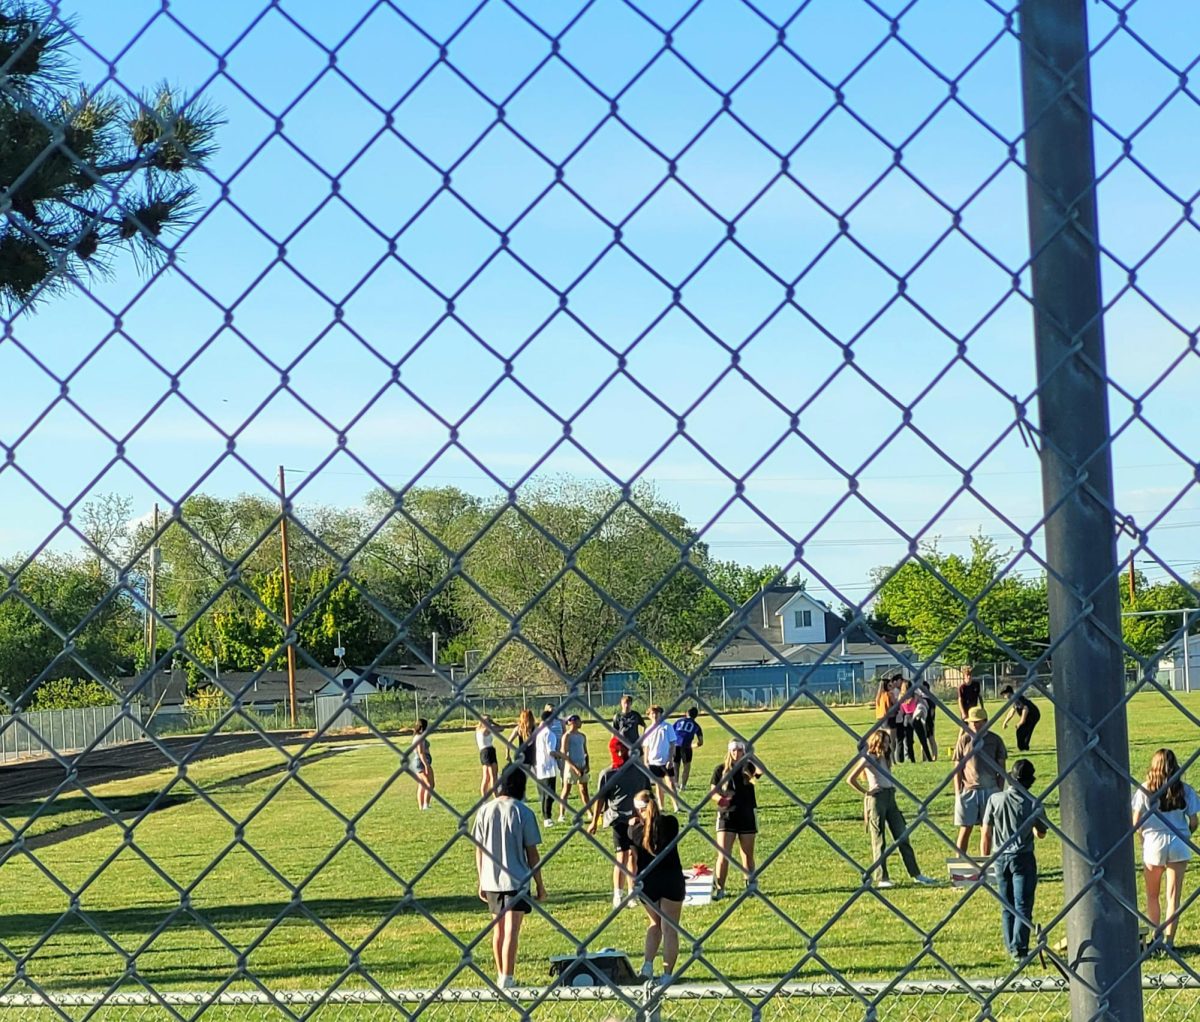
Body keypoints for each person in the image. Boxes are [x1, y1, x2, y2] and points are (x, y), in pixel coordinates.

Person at [473, 765, 546, 989]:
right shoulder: (523, 812)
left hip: (491, 879)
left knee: (498, 930)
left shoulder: (485, 810)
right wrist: (540, 885)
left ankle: (499, 974)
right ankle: (508, 976)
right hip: (517, 879)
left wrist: (481, 878)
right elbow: (532, 853)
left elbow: (479, 848)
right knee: (511, 932)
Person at [846, 730, 937, 889]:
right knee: (879, 839)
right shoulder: (869, 757)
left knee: (902, 834)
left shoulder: (886, 758)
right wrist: (866, 792)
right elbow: (850, 778)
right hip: (877, 798)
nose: (888, 745)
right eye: (885, 742)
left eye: (889, 742)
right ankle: (882, 878)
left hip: (890, 797)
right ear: (877, 742)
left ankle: (916, 873)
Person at [1132, 748, 1200, 950]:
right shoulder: (1185, 790)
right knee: (1173, 897)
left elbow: (1135, 821)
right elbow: (1194, 821)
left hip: (1153, 842)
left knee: (1152, 895)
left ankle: (1156, 936)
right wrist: (1186, 832)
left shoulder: (1144, 789)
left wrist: (1142, 837)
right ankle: (1169, 942)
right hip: (1178, 841)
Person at [980, 759, 1048, 960]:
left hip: (1000, 857)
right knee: (1023, 904)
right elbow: (1041, 833)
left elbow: (986, 831)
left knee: (1006, 904)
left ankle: (1010, 945)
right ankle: (1019, 948)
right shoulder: (1033, 803)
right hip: (1023, 856)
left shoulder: (995, 799)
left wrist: (984, 860)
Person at [627, 789, 686, 984]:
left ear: (639, 810)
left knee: (655, 924)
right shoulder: (671, 824)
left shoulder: (634, 831)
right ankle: (667, 975)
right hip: (671, 878)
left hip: (648, 882)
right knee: (670, 929)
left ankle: (647, 966)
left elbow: (632, 859)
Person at [589, 736, 647, 907]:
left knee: (634, 856)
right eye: (617, 750)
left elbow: (647, 794)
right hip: (618, 819)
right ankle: (617, 894)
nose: (620, 753)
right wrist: (594, 821)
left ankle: (632, 892)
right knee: (621, 856)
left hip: (636, 820)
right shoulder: (608, 774)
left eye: (623, 749)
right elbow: (600, 799)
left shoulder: (639, 771)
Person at [710, 739, 761, 900]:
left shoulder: (748, 768)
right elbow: (713, 790)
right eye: (733, 750)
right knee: (723, 854)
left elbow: (761, 771)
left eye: (739, 750)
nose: (736, 753)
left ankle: (750, 885)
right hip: (727, 815)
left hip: (746, 813)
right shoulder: (720, 770)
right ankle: (720, 888)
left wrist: (751, 756)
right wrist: (720, 799)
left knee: (747, 854)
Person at [952, 706, 1007, 854]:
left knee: (987, 829)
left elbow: (1002, 769)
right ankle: (960, 861)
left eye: (978, 722)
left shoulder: (995, 740)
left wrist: (999, 791)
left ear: (986, 722)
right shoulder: (964, 740)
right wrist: (958, 792)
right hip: (969, 790)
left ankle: (985, 862)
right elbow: (957, 768)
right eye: (972, 722)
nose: (975, 725)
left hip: (990, 790)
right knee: (965, 828)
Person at [641, 705, 680, 809]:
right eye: (652, 713)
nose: (655, 715)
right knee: (658, 785)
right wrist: (646, 761)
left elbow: (672, 744)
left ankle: (676, 805)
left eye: (657, 713)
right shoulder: (648, 730)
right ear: (649, 716)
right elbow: (646, 746)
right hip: (653, 761)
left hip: (666, 761)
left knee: (670, 784)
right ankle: (661, 806)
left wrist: (670, 759)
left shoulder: (667, 727)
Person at [557, 714, 590, 823]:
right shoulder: (567, 736)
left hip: (582, 764)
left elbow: (585, 752)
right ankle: (561, 814)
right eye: (578, 721)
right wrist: (574, 768)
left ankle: (589, 812)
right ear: (571, 722)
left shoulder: (582, 736)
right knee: (566, 789)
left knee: (584, 790)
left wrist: (587, 764)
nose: (580, 723)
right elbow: (564, 753)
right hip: (571, 766)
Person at [534, 709, 562, 826]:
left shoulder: (539, 733)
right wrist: (561, 755)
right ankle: (547, 817)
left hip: (540, 765)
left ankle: (545, 815)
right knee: (550, 793)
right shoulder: (549, 734)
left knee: (544, 793)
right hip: (548, 766)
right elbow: (551, 751)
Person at [999, 684, 1041, 752]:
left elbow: (1025, 708)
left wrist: (1021, 722)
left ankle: (1023, 747)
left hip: (1033, 714)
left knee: (1021, 730)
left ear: (1008, 693)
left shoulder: (1016, 698)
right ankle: (1024, 747)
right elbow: (1012, 711)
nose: (1004, 697)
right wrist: (1005, 722)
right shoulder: (1014, 698)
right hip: (1033, 714)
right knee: (1025, 730)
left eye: (1004, 694)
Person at [672, 706, 704, 790]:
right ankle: (683, 785)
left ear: (686, 713)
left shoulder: (678, 721)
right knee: (686, 766)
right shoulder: (696, 725)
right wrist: (693, 745)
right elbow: (701, 741)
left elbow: (671, 732)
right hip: (686, 746)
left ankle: (675, 784)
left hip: (676, 745)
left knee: (675, 765)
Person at [507, 709, 537, 795]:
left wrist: (508, 754)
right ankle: (540, 794)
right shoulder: (524, 729)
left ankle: (523, 796)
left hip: (525, 756)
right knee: (533, 777)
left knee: (524, 778)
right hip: (530, 755)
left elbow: (508, 742)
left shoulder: (521, 729)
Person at [411, 718, 434, 811]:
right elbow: (420, 752)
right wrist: (426, 765)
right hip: (421, 762)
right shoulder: (419, 738)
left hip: (422, 761)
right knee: (429, 784)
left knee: (423, 784)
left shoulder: (419, 736)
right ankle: (425, 805)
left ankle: (422, 806)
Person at [893, 679, 916, 764]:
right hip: (912, 717)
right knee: (909, 740)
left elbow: (900, 709)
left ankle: (904, 757)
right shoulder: (914, 695)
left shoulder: (901, 697)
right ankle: (910, 757)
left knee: (903, 740)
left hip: (904, 718)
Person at [476, 716, 498, 798]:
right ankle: (494, 795)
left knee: (489, 776)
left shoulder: (483, 729)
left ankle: (485, 796)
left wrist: (493, 722)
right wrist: (492, 724)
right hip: (487, 751)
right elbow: (499, 729)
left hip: (488, 751)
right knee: (492, 775)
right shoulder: (484, 730)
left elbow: (501, 728)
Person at [919, 680, 938, 761]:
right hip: (922, 721)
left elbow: (932, 712)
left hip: (929, 721)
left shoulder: (930, 699)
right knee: (923, 740)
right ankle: (924, 757)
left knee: (931, 739)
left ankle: (934, 756)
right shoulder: (920, 698)